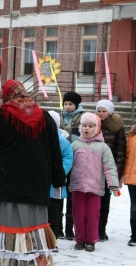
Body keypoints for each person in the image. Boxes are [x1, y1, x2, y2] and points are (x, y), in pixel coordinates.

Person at [0, 80, 66, 265]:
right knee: (34, 227)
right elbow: (55, 151)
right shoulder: (45, 117)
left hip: (10, 185)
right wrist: (58, 178)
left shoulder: (4, 115)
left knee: (9, 227)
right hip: (37, 186)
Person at [70, 112, 119, 252]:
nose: (87, 128)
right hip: (78, 186)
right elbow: (67, 163)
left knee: (92, 214)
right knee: (78, 214)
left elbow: (109, 167)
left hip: (95, 187)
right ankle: (79, 239)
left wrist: (113, 184)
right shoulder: (75, 145)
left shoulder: (103, 147)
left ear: (96, 129)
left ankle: (91, 240)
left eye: (90, 126)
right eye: (84, 125)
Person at [95, 99, 126, 241]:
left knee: (105, 201)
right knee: (94, 200)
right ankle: (93, 228)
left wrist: (117, 173)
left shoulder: (117, 127)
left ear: (110, 112)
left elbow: (121, 150)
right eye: (99, 111)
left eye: (104, 111)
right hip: (94, 169)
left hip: (108, 169)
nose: (101, 114)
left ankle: (101, 229)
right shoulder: (94, 124)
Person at [47, 111, 74, 250]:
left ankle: (53, 240)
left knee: (54, 215)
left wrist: (59, 170)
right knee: (41, 215)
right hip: (41, 184)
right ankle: (41, 240)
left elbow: (68, 158)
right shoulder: (38, 139)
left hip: (56, 186)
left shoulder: (62, 140)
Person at [60, 91, 84, 240]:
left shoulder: (82, 119)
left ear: (76, 105)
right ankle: (58, 226)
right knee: (59, 193)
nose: (68, 107)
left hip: (76, 160)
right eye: (66, 104)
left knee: (71, 195)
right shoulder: (59, 118)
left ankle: (70, 227)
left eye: (71, 104)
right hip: (62, 159)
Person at [123, 125, 136, 247]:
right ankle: (134, 236)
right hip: (132, 177)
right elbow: (127, 155)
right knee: (134, 207)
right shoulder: (132, 134)